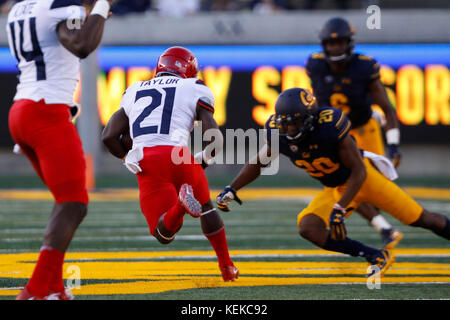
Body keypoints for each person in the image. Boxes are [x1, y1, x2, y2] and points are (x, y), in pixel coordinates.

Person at [216, 88, 450, 277]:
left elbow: (359, 171)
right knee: (308, 228)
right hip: (336, 188)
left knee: (423, 219)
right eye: (284, 122)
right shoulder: (279, 133)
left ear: (308, 119)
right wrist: (232, 188)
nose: (287, 128)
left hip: (365, 181)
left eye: (294, 123)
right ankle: (376, 255)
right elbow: (259, 163)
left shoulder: (329, 127)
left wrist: (339, 209)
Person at [102, 46, 239, 282]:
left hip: (146, 158)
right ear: (190, 69)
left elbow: (108, 136)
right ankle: (227, 267)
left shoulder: (134, 89)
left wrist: (127, 158)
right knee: (207, 205)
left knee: (163, 234)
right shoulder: (194, 87)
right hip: (180, 155)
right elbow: (213, 135)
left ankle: (179, 207)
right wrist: (203, 160)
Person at [7, 0, 114, 300]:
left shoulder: (19, 7)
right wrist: (101, 7)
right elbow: (81, 44)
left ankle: (54, 286)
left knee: (65, 201)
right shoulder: (60, 5)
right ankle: (35, 290)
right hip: (46, 111)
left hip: (23, 109)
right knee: (74, 203)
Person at [305, 17, 403, 249]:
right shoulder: (316, 65)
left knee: (379, 184)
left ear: (349, 43)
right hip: (337, 134)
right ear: (324, 44)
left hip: (364, 127)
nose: (335, 48)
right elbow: (315, 99)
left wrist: (393, 145)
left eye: (340, 43)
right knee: (348, 181)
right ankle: (385, 228)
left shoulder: (364, 67)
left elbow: (387, 109)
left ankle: (388, 224)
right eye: (331, 43)